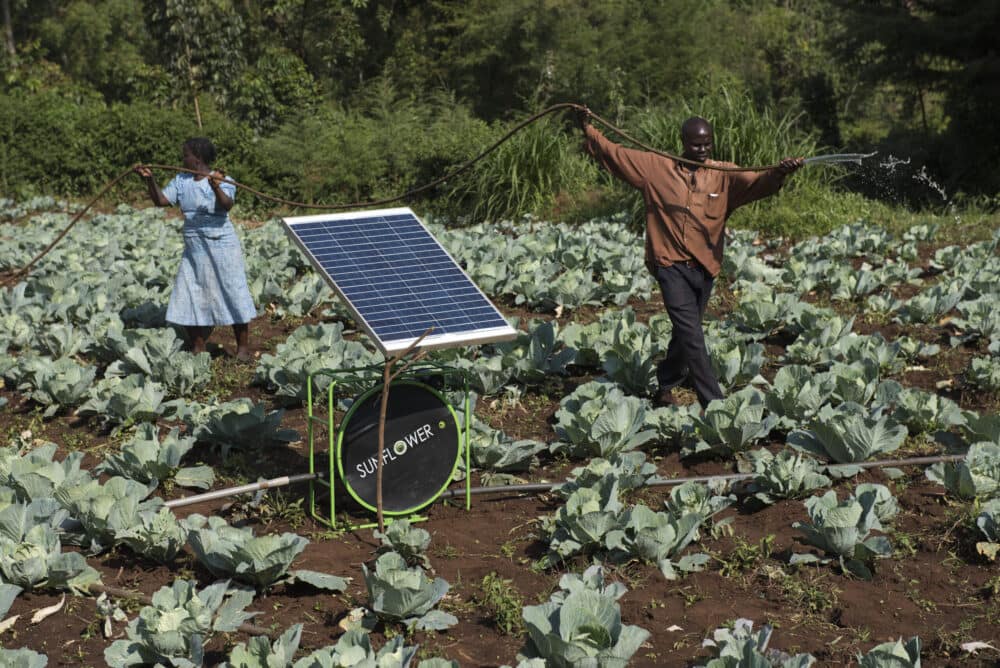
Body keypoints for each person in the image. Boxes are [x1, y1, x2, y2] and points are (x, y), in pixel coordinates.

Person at [578, 108, 803, 408]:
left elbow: (758, 181)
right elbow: (616, 154)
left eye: (707, 143)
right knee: (693, 336)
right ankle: (715, 405)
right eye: (696, 144)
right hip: (669, 263)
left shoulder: (724, 175)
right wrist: (588, 128)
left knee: (687, 331)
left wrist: (780, 172)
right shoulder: (656, 167)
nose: (702, 149)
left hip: (704, 267)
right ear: (683, 141)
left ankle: (666, 384)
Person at [134, 138, 257, 361]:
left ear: (197, 158)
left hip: (222, 245)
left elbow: (227, 205)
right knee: (188, 291)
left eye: (186, 155)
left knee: (232, 290)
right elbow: (161, 201)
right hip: (195, 247)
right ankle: (199, 347)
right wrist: (150, 180)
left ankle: (243, 349)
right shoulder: (182, 181)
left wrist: (216, 186)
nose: (183, 159)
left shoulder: (223, 179)